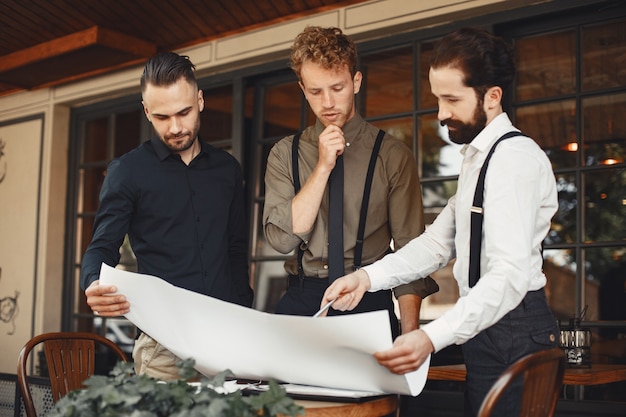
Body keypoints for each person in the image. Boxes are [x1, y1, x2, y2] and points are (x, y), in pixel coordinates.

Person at [321, 27, 559, 416]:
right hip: (486, 330)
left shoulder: (515, 160)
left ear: (492, 96)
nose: (441, 113)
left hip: (516, 330)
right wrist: (365, 279)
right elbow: (435, 245)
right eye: (437, 99)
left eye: (452, 99)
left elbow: (509, 276)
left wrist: (430, 337)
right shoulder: (477, 160)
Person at [80, 52, 253, 380]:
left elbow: (235, 252)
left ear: (200, 100)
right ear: (146, 111)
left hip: (227, 338)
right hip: (163, 349)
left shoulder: (227, 170)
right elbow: (101, 248)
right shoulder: (127, 172)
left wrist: (245, 320)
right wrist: (92, 283)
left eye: (184, 112)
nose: (175, 127)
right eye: (162, 117)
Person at [263, 26, 438, 338]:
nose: (328, 102)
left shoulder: (392, 156)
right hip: (303, 300)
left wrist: (410, 336)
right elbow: (281, 240)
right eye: (315, 91)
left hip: (368, 299)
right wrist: (322, 167)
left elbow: (410, 251)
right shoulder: (283, 154)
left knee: (372, 390)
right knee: (287, 389)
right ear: (303, 89)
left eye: (337, 88)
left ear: (356, 82)